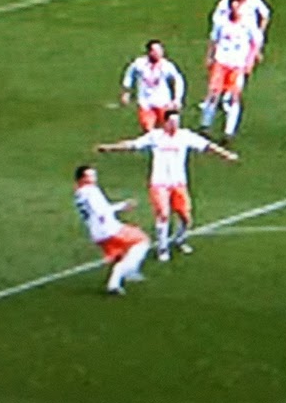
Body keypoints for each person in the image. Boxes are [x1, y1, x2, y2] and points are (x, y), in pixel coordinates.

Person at [96, 110, 238, 262]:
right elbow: (132, 145)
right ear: (165, 123)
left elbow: (208, 146)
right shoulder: (155, 136)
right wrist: (109, 147)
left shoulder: (185, 136)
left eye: (177, 121)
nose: (174, 125)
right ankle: (162, 248)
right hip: (159, 182)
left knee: (185, 217)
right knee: (163, 214)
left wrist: (226, 154)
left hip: (179, 182)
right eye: (171, 122)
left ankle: (180, 239)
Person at [73, 163, 152, 295]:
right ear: (81, 178)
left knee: (120, 254)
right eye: (90, 176)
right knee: (142, 240)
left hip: (96, 233)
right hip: (109, 229)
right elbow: (101, 211)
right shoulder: (90, 191)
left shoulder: (79, 193)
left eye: (94, 175)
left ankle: (115, 283)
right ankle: (125, 273)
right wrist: (123, 206)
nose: (94, 178)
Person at [199, 0, 264, 142]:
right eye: (233, 8)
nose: (236, 11)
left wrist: (250, 61)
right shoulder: (221, 23)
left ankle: (229, 131)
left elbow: (255, 43)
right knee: (213, 93)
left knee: (234, 97)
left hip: (237, 65)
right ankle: (205, 125)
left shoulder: (248, 24)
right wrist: (209, 56)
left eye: (238, 8)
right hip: (221, 62)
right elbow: (214, 40)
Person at [119, 39, 187, 132]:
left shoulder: (167, 66)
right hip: (145, 103)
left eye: (160, 50)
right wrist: (126, 91)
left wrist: (177, 99)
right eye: (155, 51)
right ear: (149, 52)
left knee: (166, 130)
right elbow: (129, 74)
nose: (158, 53)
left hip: (163, 103)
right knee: (148, 129)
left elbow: (178, 80)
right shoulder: (140, 63)